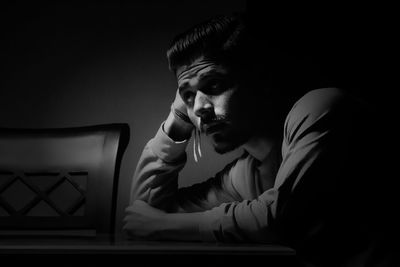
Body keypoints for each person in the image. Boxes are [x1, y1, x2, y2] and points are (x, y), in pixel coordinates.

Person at [123, 13, 393, 266]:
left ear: (261, 79)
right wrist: (176, 121)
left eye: (214, 85)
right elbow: (145, 214)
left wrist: (162, 225)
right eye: (189, 96)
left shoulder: (322, 108)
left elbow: (283, 218)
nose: (199, 108)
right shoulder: (243, 175)